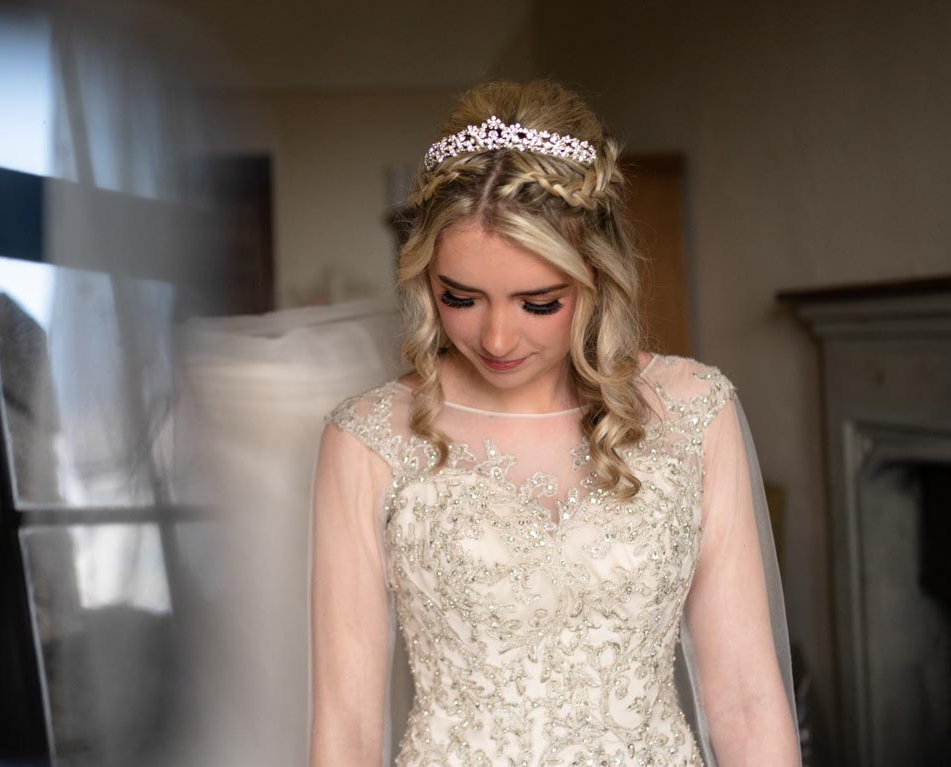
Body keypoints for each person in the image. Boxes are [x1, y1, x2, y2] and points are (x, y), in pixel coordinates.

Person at [308, 80, 800, 766]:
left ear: (597, 275)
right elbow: (348, 726)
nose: (498, 338)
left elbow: (746, 697)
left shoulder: (692, 411)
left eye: (538, 301)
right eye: (461, 297)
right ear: (426, 280)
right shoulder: (368, 438)